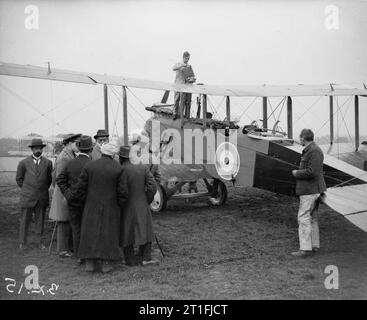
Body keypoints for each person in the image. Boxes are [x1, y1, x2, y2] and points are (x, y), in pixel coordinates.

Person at [71, 140, 128, 273]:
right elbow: (123, 192)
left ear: (102, 152)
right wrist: (120, 205)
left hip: (91, 205)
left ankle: (89, 263)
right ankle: (107, 263)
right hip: (111, 206)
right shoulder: (118, 168)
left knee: (90, 233)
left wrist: (80, 203)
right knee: (108, 234)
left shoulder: (90, 166)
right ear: (113, 155)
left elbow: (80, 188)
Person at [118, 146, 158, 266]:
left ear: (121, 157)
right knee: (145, 229)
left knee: (127, 231)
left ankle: (129, 259)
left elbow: (121, 190)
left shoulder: (120, 169)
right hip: (142, 202)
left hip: (126, 205)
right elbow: (153, 186)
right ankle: (146, 257)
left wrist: (121, 203)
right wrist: (147, 199)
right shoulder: (142, 167)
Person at [56, 135, 93, 262]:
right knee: (87, 229)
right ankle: (86, 254)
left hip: (72, 202)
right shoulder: (92, 164)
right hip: (88, 202)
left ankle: (79, 256)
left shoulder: (71, 163)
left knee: (76, 228)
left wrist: (68, 194)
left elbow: (60, 180)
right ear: (91, 149)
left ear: (79, 148)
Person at [291, 129, 327, 257]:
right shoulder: (313, 149)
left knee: (303, 218)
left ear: (302, 138)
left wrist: (296, 173)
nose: (299, 140)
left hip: (309, 190)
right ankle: (314, 245)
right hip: (314, 189)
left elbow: (312, 171)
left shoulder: (313, 151)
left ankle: (305, 249)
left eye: (300, 138)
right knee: (312, 218)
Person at [16, 138, 53, 250]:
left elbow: (48, 180)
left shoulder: (48, 163)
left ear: (42, 149)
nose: (38, 150)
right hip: (27, 197)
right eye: (36, 148)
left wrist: (40, 190)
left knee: (40, 221)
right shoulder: (23, 163)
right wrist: (28, 190)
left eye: (40, 148)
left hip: (41, 197)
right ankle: (22, 242)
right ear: (32, 149)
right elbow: (19, 179)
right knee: (24, 221)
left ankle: (39, 242)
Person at [49, 133, 81, 258]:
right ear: (68, 143)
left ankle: (67, 248)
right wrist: (66, 195)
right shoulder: (64, 157)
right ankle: (62, 250)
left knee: (67, 220)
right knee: (63, 221)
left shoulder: (70, 155)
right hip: (63, 193)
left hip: (66, 192)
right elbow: (59, 178)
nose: (77, 145)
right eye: (75, 143)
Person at [172, 51, 196, 120]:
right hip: (178, 84)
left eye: (188, 58)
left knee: (183, 100)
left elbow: (190, 75)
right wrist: (182, 66)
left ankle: (181, 114)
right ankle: (175, 113)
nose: (187, 60)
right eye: (187, 58)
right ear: (184, 57)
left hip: (184, 86)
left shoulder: (188, 66)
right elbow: (173, 68)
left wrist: (192, 79)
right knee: (176, 99)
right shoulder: (179, 63)